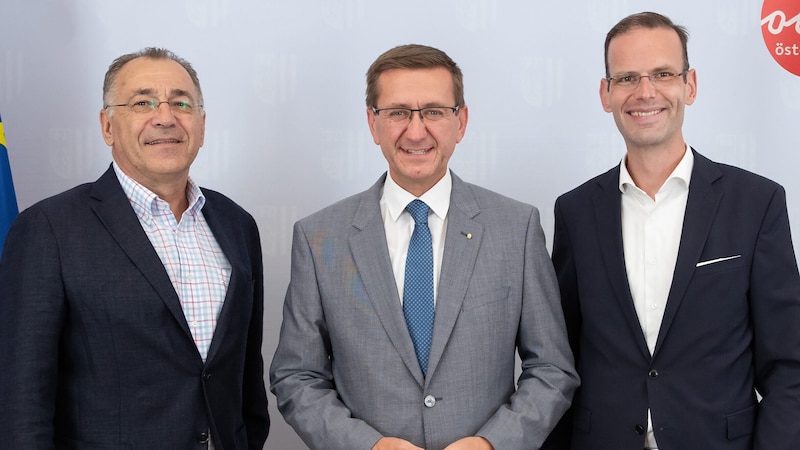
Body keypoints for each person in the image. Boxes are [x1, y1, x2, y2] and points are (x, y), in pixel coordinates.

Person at [269, 44, 578, 450]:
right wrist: (368, 446)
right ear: (372, 123)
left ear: (461, 121)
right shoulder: (319, 237)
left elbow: (552, 369)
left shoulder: (515, 228)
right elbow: (296, 376)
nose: (416, 131)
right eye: (398, 112)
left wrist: (493, 444)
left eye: (433, 111)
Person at [547, 11, 800, 450]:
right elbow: (558, 362)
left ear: (690, 84)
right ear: (605, 94)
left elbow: (790, 368)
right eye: (626, 78)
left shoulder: (756, 203)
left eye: (663, 74)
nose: (645, 92)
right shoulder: (575, 211)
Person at [0, 47, 270, 449]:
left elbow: (245, 376)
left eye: (181, 102)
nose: (165, 117)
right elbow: (22, 401)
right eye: (142, 102)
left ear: (201, 123)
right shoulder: (48, 229)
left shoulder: (237, 225)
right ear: (108, 126)